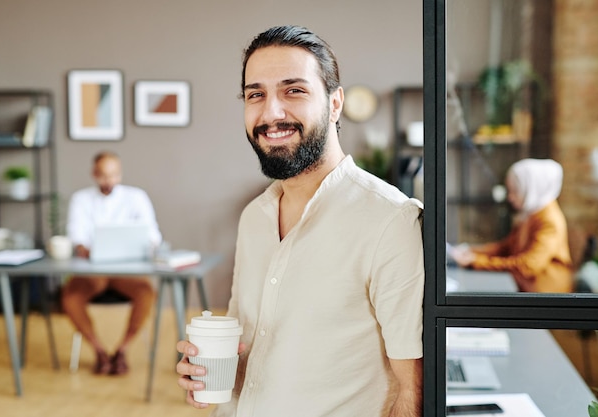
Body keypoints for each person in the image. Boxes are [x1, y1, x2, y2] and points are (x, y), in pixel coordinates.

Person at [175, 25, 425, 417]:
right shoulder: (254, 217)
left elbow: (413, 394)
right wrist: (209, 371)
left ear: (335, 103)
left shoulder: (390, 221)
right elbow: (254, 363)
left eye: (294, 90)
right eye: (255, 94)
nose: (271, 113)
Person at [61, 151, 162, 375]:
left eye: (114, 175)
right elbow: (77, 237)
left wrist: (144, 244)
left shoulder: (136, 197)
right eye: (104, 175)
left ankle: (121, 351)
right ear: (94, 174)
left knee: (146, 293)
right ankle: (99, 352)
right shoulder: (81, 199)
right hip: (92, 274)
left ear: (120, 174)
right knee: (70, 297)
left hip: (127, 273)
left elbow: (153, 235)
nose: (109, 181)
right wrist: (87, 249)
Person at [451, 158, 573, 293]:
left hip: (545, 294)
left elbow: (528, 266)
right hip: (525, 287)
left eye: (515, 191)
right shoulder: (531, 213)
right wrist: (471, 251)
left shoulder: (549, 220)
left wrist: (476, 261)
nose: (510, 197)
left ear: (531, 189)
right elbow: (507, 247)